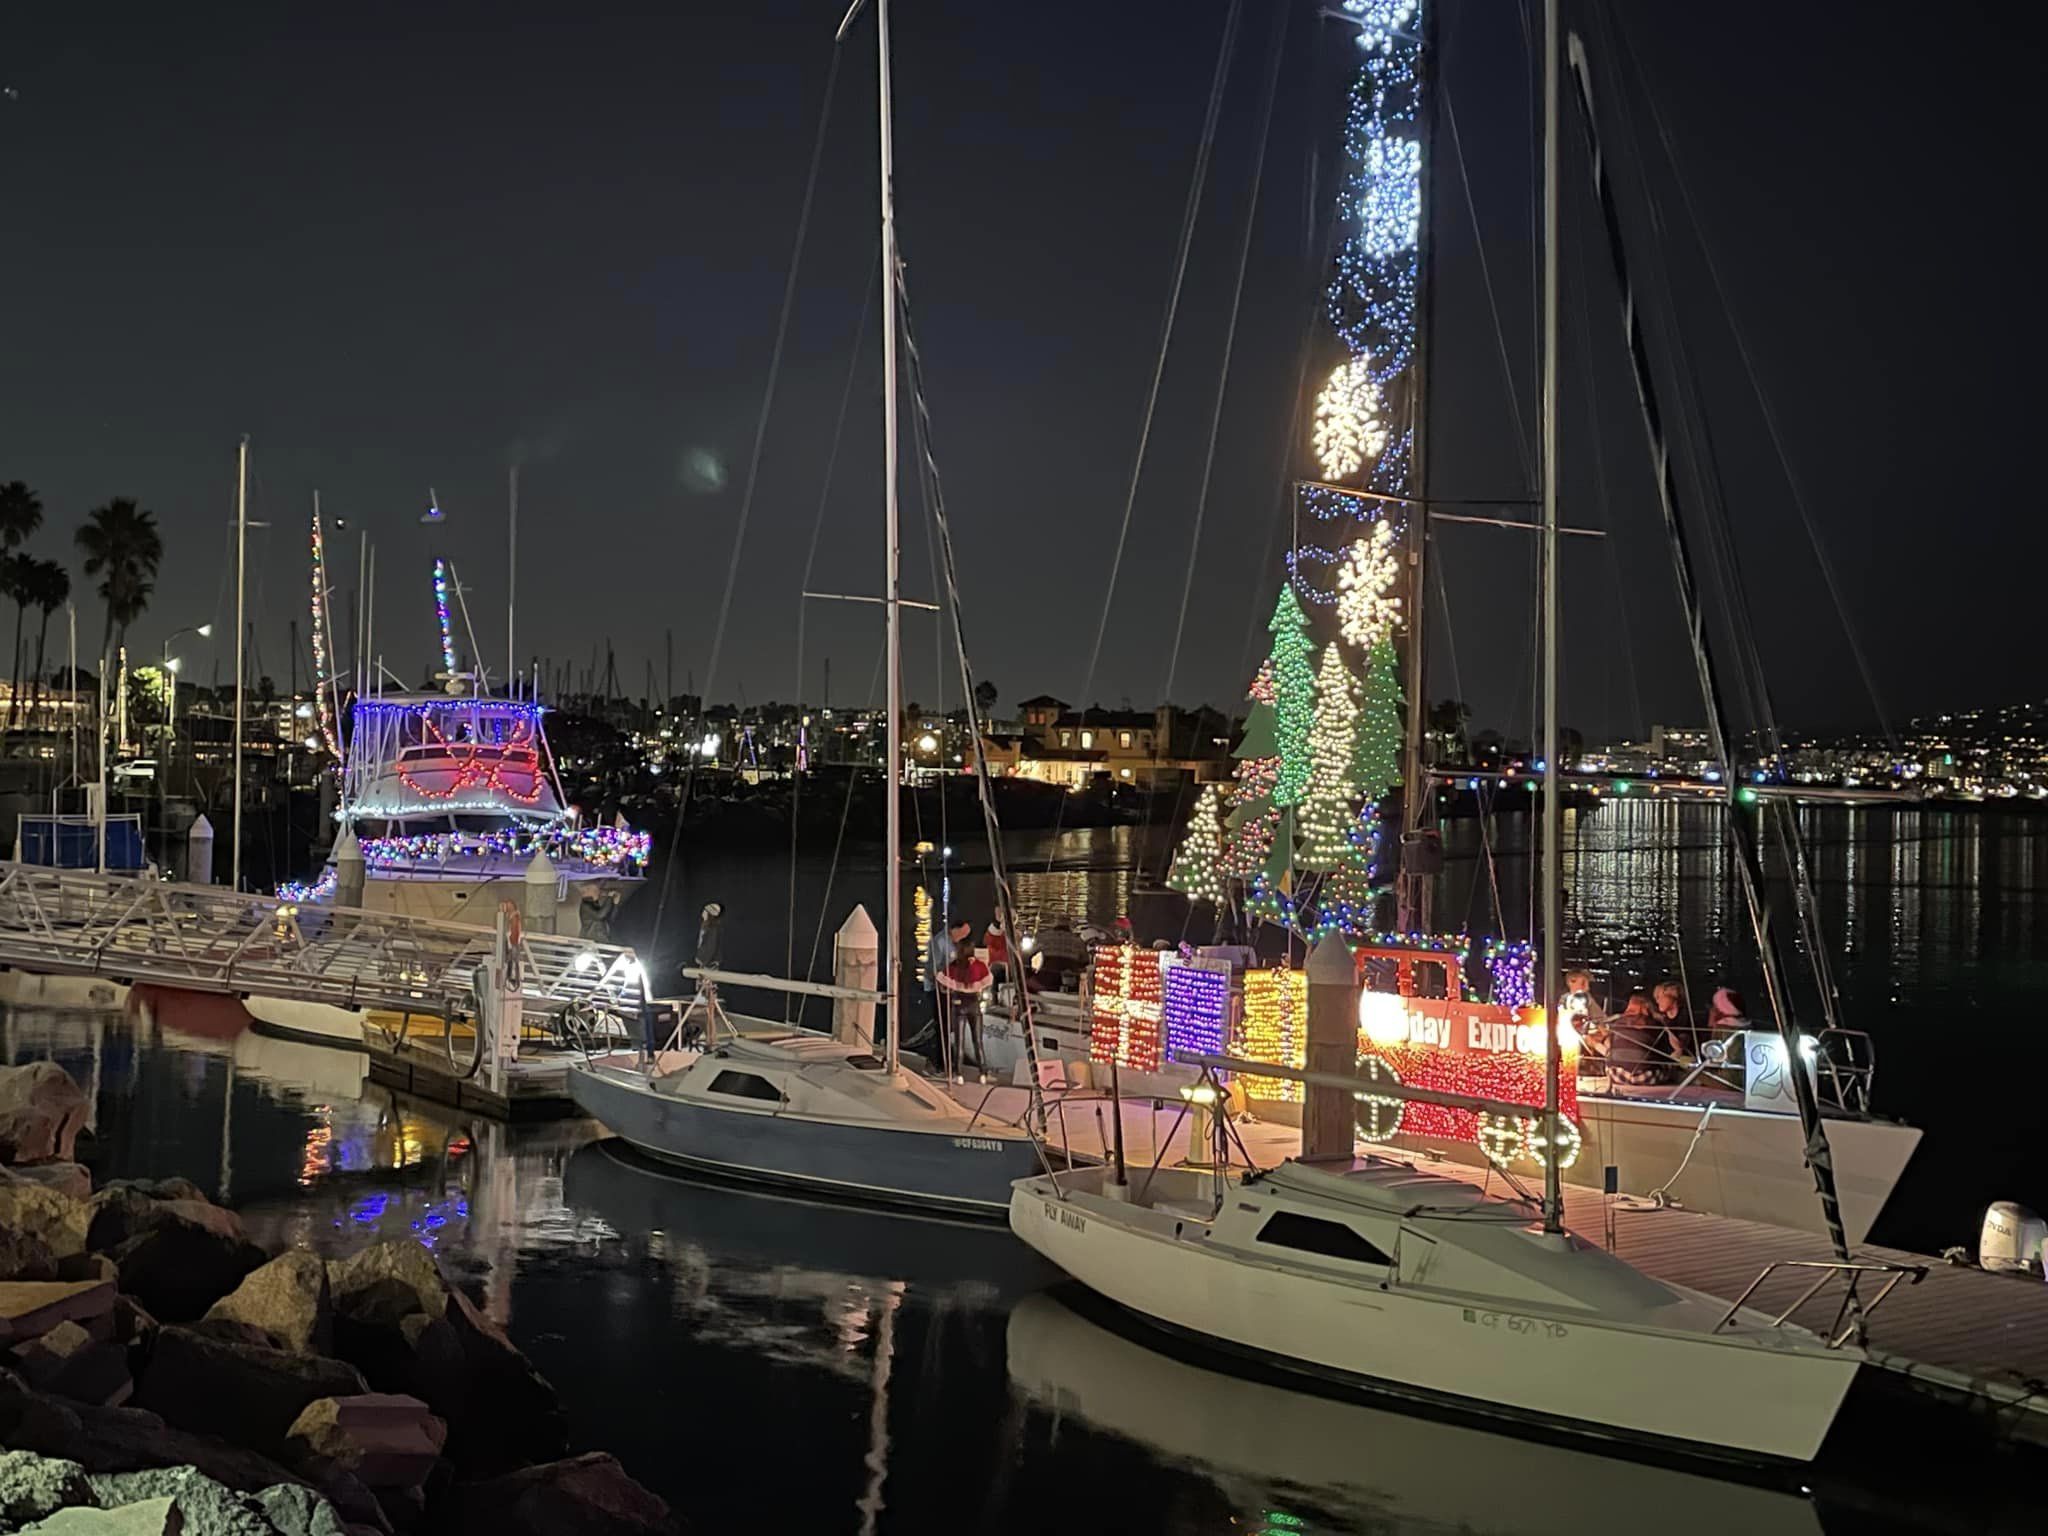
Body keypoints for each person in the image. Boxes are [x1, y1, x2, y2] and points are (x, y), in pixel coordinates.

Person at [937, 945, 994, 1081]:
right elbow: (988, 980)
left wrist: (951, 988)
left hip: (958, 1003)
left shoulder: (953, 966)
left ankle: (959, 1074)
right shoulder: (979, 966)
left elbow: (941, 979)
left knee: (959, 1042)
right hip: (974, 1003)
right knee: (978, 1041)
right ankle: (983, 1073)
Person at [1605, 989, 1683, 1088]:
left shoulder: (1617, 1022)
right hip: (1646, 1077)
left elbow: (1610, 1046)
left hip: (1617, 1075)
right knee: (1673, 1062)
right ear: (1647, 1006)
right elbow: (1667, 1053)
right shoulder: (1654, 1024)